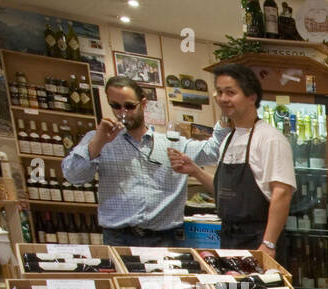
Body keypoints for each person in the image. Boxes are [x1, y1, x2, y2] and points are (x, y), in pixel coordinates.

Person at [62, 76, 227, 247]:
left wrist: (226, 114)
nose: (122, 112)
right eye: (115, 106)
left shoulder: (172, 143)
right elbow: (73, 176)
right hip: (118, 238)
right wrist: (97, 143)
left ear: (143, 104)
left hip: (165, 239)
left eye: (129, 106)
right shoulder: (98, 140)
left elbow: (214, 150)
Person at [170, 64, 294, 259]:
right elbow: (224, 192)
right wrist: (195, 171)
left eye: (231, 92)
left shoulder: (270, 138)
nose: (223, 99)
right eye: (219, 92)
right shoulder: (229, 139)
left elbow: (282, 193)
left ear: (252, 97)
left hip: (259, 239)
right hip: (229, 238)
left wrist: (268, 243)